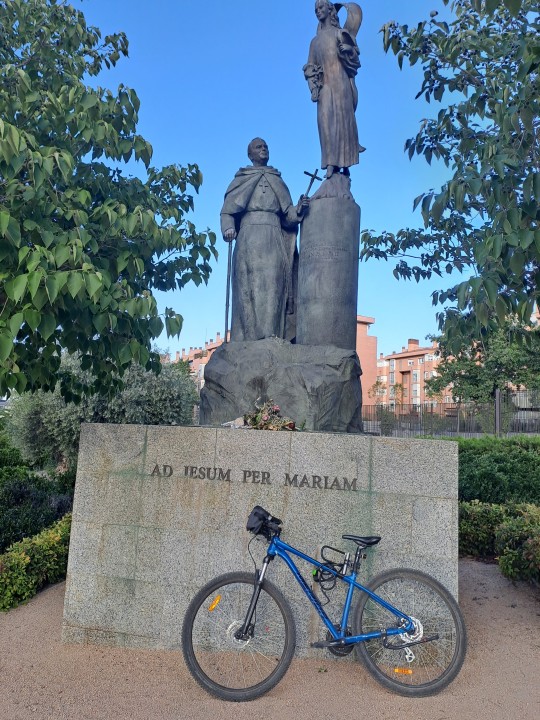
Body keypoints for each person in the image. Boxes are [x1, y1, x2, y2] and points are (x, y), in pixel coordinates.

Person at [221, 138, 309, 342]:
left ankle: (271, 338)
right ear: (250, 154)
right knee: (247, 287)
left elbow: (288, 216)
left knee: (273, 286)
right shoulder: (241, 179)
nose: (264, 149)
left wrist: (299, 209)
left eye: (266, 146)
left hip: (273, 238)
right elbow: (227, 212)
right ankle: (248, 340)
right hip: (248, 238)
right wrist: (228, 228)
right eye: (258, 147)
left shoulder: (277, 179)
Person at [304, 1, 364, 178]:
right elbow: (310, 65)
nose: (317, 11)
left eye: (321, 8)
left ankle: (345, 165)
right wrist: (312, 84)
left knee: (344, 122)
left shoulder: (340, 33)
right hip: (325, 87)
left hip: (341, 84)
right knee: (325, 123)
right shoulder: (315, 42)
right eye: (315, 10)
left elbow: (355, 61)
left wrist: (349, 50)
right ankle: (330, 162)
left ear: (330, 10)